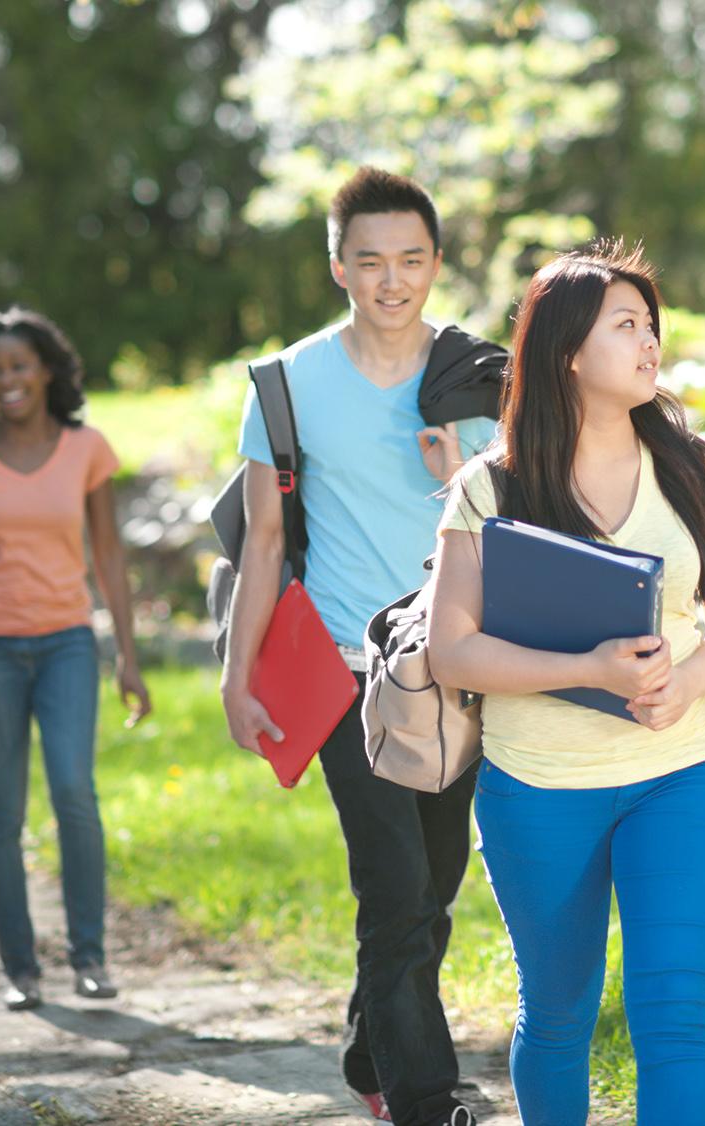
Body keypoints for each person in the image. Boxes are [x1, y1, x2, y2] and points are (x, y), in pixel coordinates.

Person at [426, 241, 705, 1125]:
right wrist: (587, 670)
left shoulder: (696, 469)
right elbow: (450, 649)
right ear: (568, 349)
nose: (650, 342)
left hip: (680, 778)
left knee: (676, 1022)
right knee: (560, 1014)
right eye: (626, 326)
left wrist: (688, 680)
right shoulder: (490, 485)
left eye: (651, 326)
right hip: (538, 788)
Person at [220, 167, 499, 1126]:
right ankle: (427, 1100)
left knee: (435, 885)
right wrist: (235, 676)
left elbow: (511, 525)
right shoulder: (288, 384)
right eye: (371, 260)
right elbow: (262, 541)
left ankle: (365, 1049)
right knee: (396, 889)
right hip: (348, 673)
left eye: (412, 260)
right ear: (338, 265)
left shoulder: (474, 378)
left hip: (457, 666)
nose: (392, 281)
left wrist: (461, 470)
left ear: (434, 264)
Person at [0, 307, 152, 1011]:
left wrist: (128, 657)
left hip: (67, 644)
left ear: (46, 369)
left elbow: (108, 554)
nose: (6, 380)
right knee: (2, 813)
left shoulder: (87, 448)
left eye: (18, 365)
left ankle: (90, 959)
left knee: (75, 794)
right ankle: (20, 968)